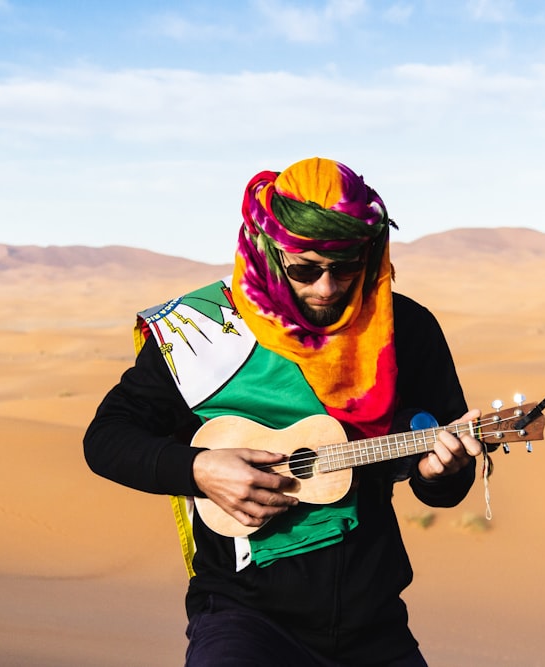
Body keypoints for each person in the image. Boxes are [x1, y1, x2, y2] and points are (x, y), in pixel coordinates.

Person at [83, 157, 485, 666]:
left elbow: (443, 485)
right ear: (270, 253)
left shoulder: (404, 329)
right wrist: (198, 469)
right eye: (305, 269)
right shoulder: (201, 334)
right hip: (244, 620)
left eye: (346, 267)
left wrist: (439, 472)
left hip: (374, 624)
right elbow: (105, 439)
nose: (327, 288)